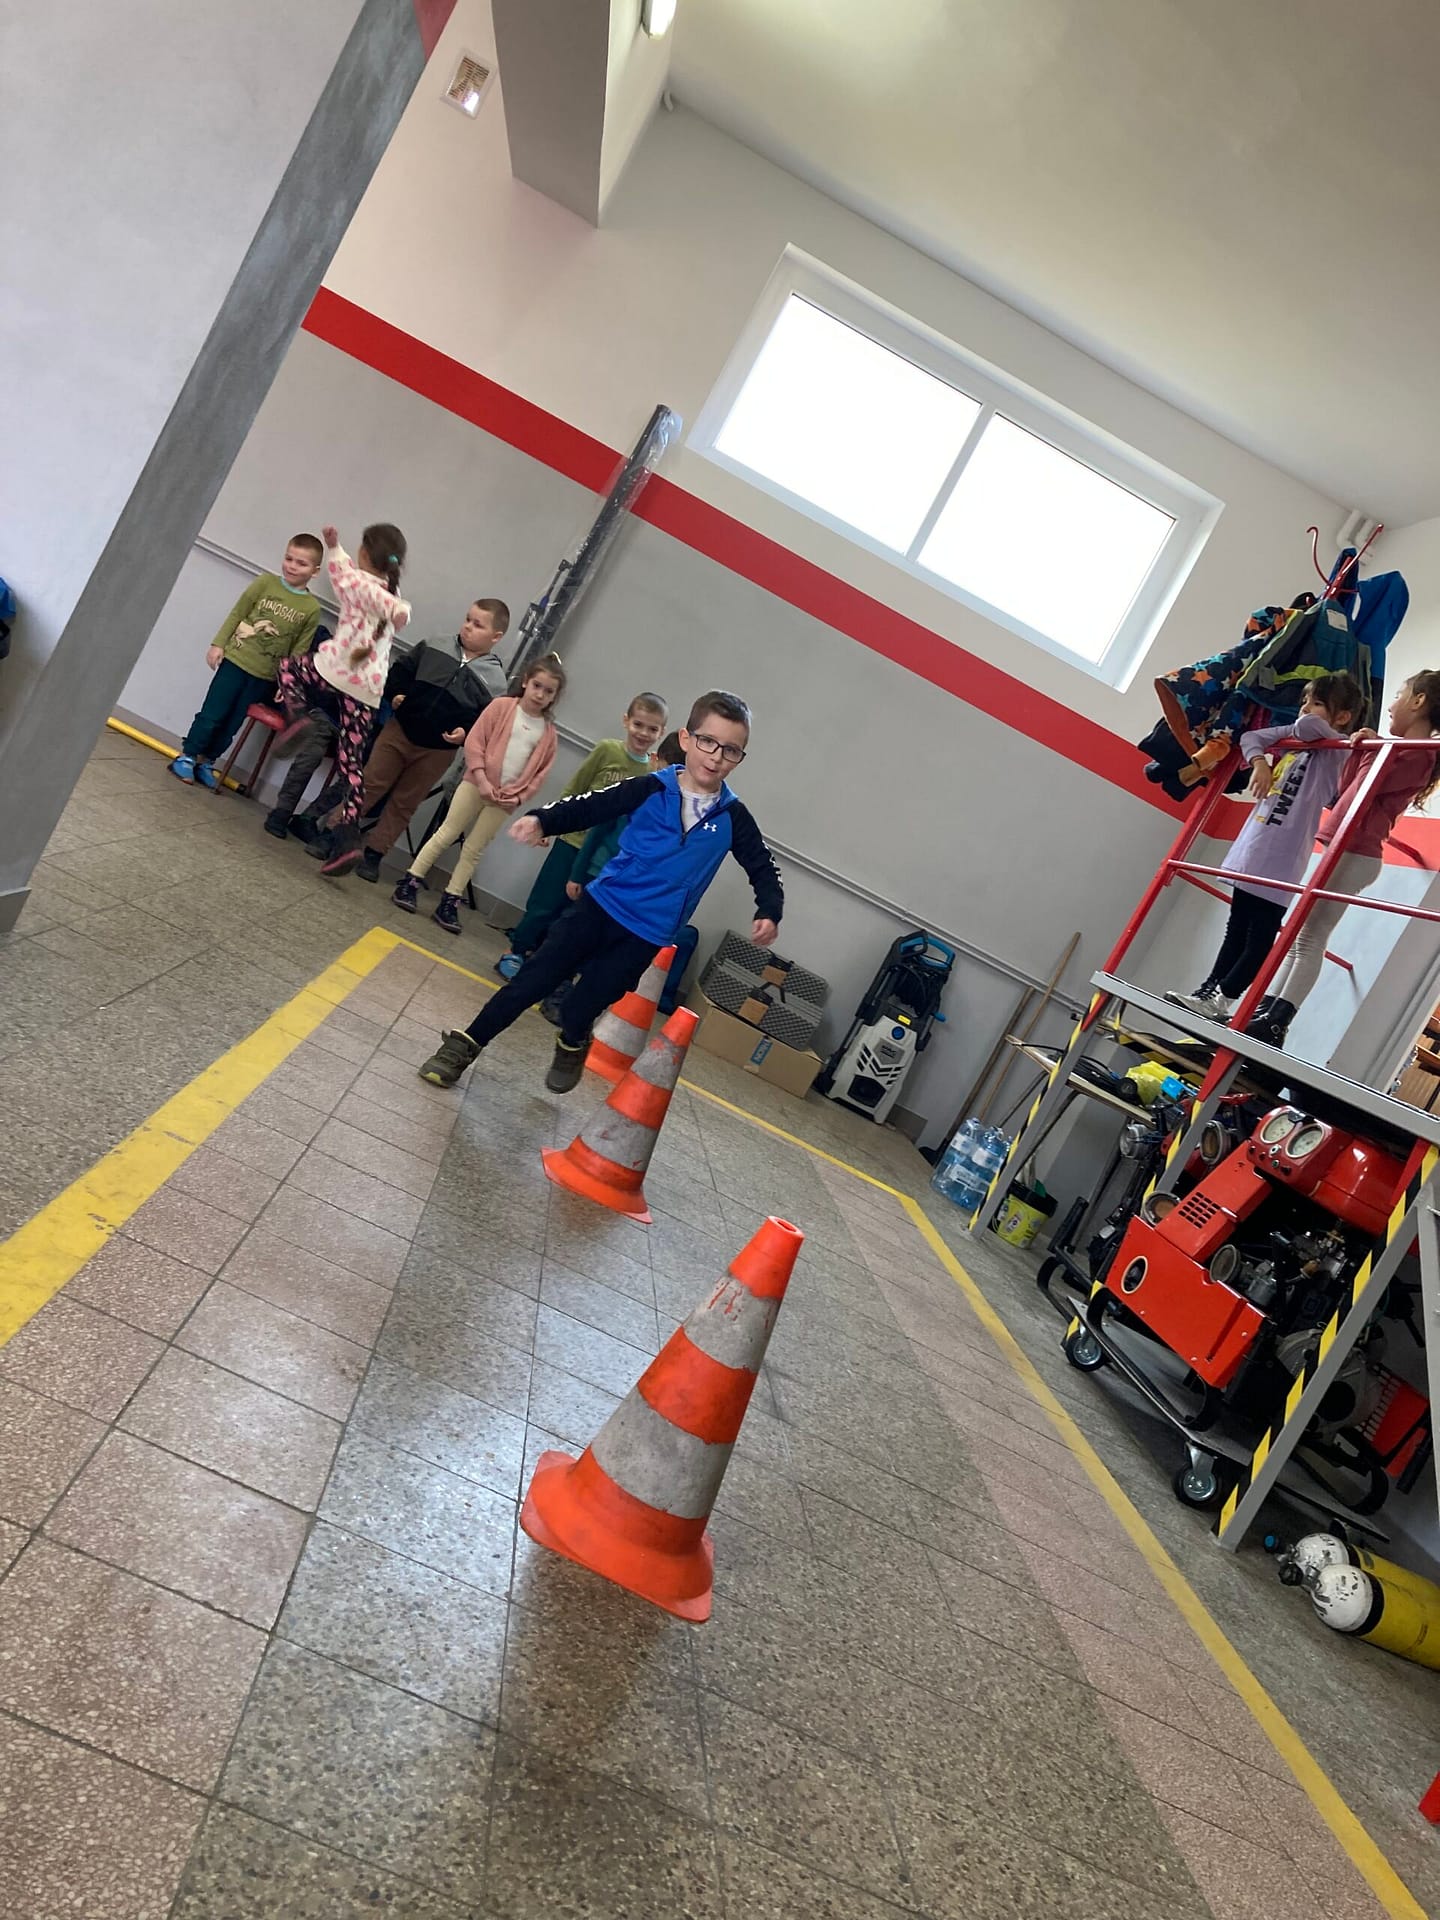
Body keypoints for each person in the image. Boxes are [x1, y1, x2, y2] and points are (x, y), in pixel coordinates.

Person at [417, 689, 783, 1095]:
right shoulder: (650, 787)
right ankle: (464, 1046)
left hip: (646, 934)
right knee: (532, 981)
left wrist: (770, 909)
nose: (715, 756)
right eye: (707, 741)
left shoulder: (733, 817)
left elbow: (764, 867)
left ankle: (573, 1041)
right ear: (686, 738)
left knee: (582, 1005)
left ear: (739, 757)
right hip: (600, 907)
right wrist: (543, 820)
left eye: (730, 750)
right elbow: (592, 805)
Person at [1245, 670, 1440, 1046]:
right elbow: (1345, 787)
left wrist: (1373, 750)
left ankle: (1277, 1021)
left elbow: (1368, 787)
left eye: (1399, 695)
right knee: (1301, 934)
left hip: (1357, 852)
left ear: (1419, 702)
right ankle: (1265, 1011)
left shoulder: (1417, 753)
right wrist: (1366, 749)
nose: (1391, 705)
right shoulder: (1393, 748)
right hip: (1344, 846)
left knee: (1310, 936)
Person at [1166, 673, 1364, 1022]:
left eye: (1316, 703)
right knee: (1236, 927)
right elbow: (1251, 737)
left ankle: (1225, 999)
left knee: (1260, 937)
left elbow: (1307, 728)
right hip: (1256, 846)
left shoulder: (1335, 748)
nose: (1305, 709)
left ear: (1343, 716)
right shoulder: (1300, 741)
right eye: (1304, 702)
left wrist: (1303, 728)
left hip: (1283, 859)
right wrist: (1259, 762)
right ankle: (1208, 992)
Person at [315, 598, 511, 878]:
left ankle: (374, 853)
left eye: (478, 625)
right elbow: (400, 672)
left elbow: (486, 722)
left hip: (438, 750)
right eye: (468, 619)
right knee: (370, 784)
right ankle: (332, 834)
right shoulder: (434, 645)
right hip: (400, 731)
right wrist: (396, 693)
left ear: (496, 637)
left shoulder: (496, 680)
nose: (468, 626)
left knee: (405, 802)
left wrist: (466, 733)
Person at [495, 692, 668, 977]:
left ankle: (540, 962)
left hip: (601, 856)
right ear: (626, 721)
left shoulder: (651, 773)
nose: (643, 733)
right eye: (638, 724)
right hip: (572, 841)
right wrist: (549, 823)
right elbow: (575, 788)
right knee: (546, 901)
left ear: (661, 732)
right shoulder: (607, 750)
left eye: (652, 729)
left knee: (570, 912)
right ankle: (515, 949)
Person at [535, 728, 698, 1028]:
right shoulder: (635, 793)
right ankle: (554, 991)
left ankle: (575, 1004)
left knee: (599, 954)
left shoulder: (678, 816)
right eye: (670, 771)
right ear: (656, 761)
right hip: (596, 878)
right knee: (572, 941)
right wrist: (577, 874)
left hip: (626, 894)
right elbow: (597, 833)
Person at [392, 654, 564, 933]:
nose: (540, 694)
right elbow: (475, 742)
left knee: (474, 849)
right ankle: (411, 881)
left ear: (554, 697)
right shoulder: (501, 707)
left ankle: (450, 900)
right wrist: (482, 780)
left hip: (504, 800)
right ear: (525, 682)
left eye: (548, 691)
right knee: (446, 833)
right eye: (537, 686)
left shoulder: (548, 734)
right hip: (475, 784)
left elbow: (539, 775)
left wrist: (517, 797)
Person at [273, 523, 410, 830]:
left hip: (338, 671)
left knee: (288, 668)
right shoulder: (392, 590)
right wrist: (335, 545)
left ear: (365, 553)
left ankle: (298, 718)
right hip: (368, 689)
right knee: (352, 766)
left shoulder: (357, 583)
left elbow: (342, 574)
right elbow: (388, 602)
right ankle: (347, 837)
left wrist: (333, 547)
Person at [169, 534, 324, 787]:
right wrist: (218, 644)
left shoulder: (311, 609)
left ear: (315, 571)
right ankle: (187, 756)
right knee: (212, 714)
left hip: (263, 676)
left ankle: (207, 762)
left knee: (232, 723)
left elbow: (299, 649)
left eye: (301, 563)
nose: (292, 566)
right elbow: (238, 613)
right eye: (289, 559)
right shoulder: (265, 583)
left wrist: (288, 683)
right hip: (235, 662)